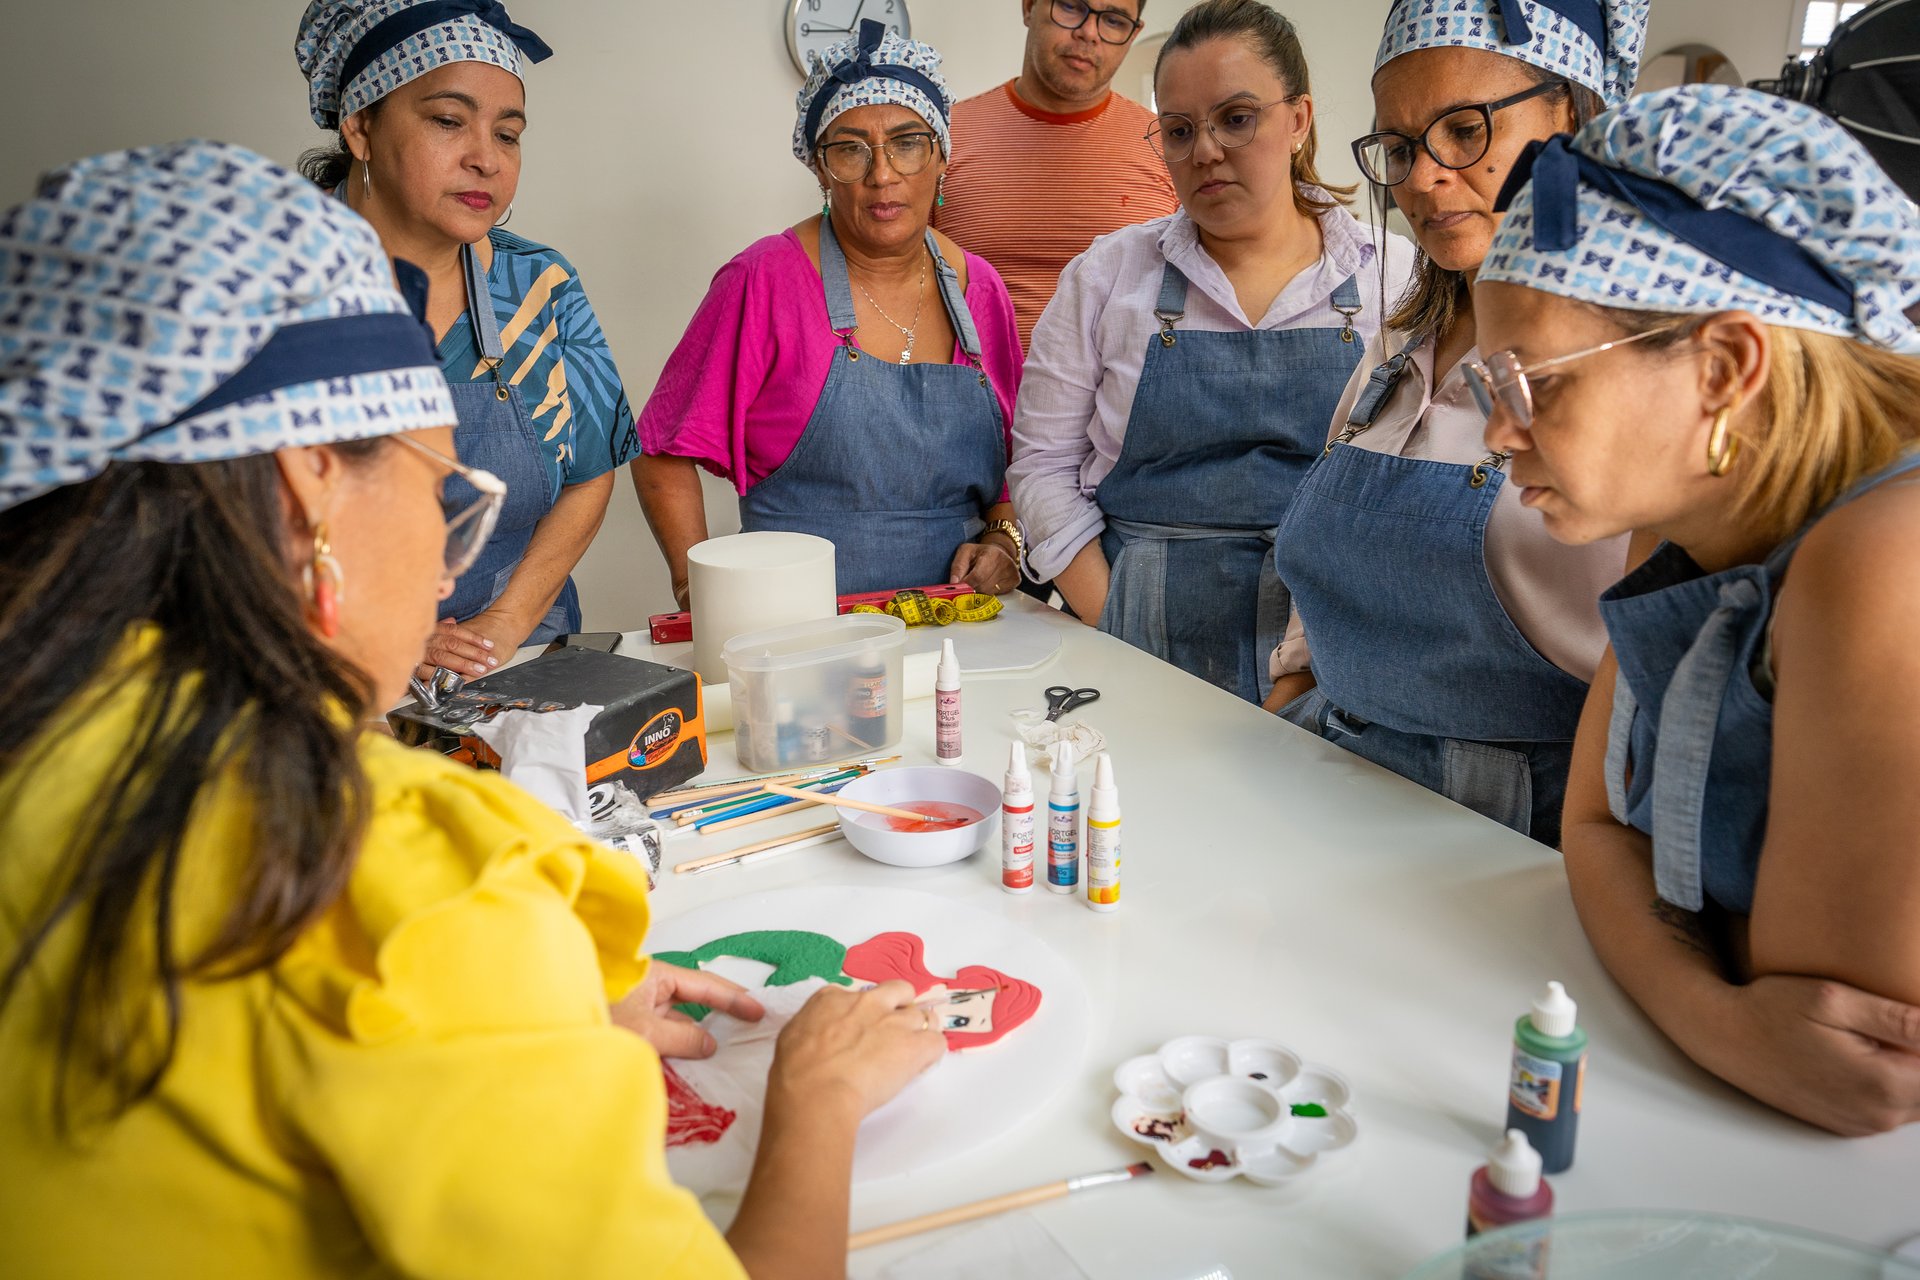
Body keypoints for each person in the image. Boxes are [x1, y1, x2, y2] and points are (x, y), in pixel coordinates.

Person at [0, 140, 944, 1278]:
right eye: (447, 496)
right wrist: (821, 1093)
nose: (452, 575)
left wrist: (525, 1012)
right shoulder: (400, 875)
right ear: (309, 484)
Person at [1475, 85, 1920, 1135]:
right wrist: (1713, 1008)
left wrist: (1718, 1004)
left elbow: (1839, 1067)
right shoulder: (1686, 525)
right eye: (1488, 386)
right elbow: (1589, 830)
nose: (1498, 434)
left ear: (1724, 365)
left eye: (1534, 383)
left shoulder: (1883, 561)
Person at [1264, 0, 1647, 846]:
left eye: (1465, 129)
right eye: (1399, 148)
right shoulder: (1402, 348)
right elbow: (1318, 575)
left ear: (1576, 113)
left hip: (1510, 821)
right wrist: (1292, 699)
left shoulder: (1643, 364)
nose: (1422, 177)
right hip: (1333, 776)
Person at [1007, 0, 1415, 703]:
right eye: (1179, 129)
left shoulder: (1394, 277)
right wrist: (1119, 617)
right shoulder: (1106, 277)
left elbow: (1408, 486)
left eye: (1236, 118)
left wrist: (1317, 654)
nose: (1205, 151)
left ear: (1298, 119)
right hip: (1137, 632)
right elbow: (1041, 464)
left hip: (1331, 650)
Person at [295, 0, 637, 677]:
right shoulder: (277, 290)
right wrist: (379, 634)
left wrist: (502, 626)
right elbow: (221, 525)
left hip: (517, 660)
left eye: (507, 134)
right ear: (359, 127)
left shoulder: (540, 287)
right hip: (325, 673)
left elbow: (591, 476)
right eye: (448, 122)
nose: (485, 159)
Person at [635, 21, 1025, 606]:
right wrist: (700, 592)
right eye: (850, 149)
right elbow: (662, 454)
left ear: (941, 155)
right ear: (818, 169)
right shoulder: (763, 280)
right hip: (799, 630)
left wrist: (1003, 540)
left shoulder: (981, 289)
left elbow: (1013, 471)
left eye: (907, 142)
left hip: (961, 622)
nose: (882, 174)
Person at [939, 0, 1178, 351]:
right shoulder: (944, 135)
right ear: (1028, 7)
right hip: (968, 397)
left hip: (1122, 401)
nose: (1088, 32)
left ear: (1133, 34)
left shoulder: (1170, 146)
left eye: (1113, 20)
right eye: (1070, 5)